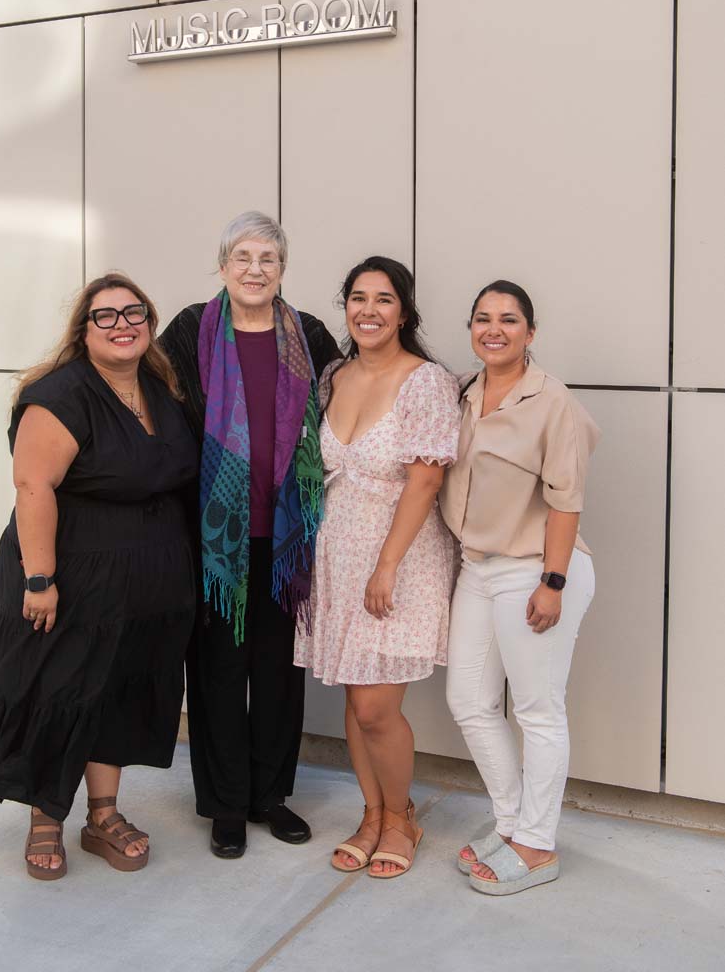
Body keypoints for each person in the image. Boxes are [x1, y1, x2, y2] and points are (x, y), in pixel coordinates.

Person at [0, 273, 198, 880]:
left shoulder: (161, 389)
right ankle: (45, 818)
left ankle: (102, 816)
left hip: (143, 583)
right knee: (56, 692)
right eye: (105, 316)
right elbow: (34, 487)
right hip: (68, 576)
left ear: (151, 322)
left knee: (116, 693)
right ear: (83, 331)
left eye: (134, 312)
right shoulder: (61, 394)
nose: (122, 324)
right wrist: (39, 580)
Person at [160, 211, 339, 859]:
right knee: (215, 671)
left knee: (276, 674)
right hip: (214, 541)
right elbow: (161, 418)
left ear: (283, 269)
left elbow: (348, 408)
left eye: (267, 258)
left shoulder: (309, 335)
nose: (255, 269)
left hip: (286, 537)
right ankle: (225, 804)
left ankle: (270, 796)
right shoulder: (190, 331)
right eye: (243, 256)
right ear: (222, 265)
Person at [295, 256, 460, 880]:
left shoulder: (426, 382)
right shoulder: (332, 375)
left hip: (400, 556)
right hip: (337, 552)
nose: (369, 310)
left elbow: (425, 481)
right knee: (352, 689)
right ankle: (372, 813)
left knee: (375, 709)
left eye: (384, 299)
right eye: (358, 298)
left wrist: (386, 565)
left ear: (405, 312)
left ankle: (401, 818)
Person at [440, 280, 600, 896]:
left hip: (536, 566)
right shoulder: (464, 392)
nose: (494, 329)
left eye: (509, 319)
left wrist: (552, 582)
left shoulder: (552, 401)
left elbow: (567, 500)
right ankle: (511, 823)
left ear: (530, 332)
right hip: (477, 567)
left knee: (537, 710)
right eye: (482, 318)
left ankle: (537, 844)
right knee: (469, 701)